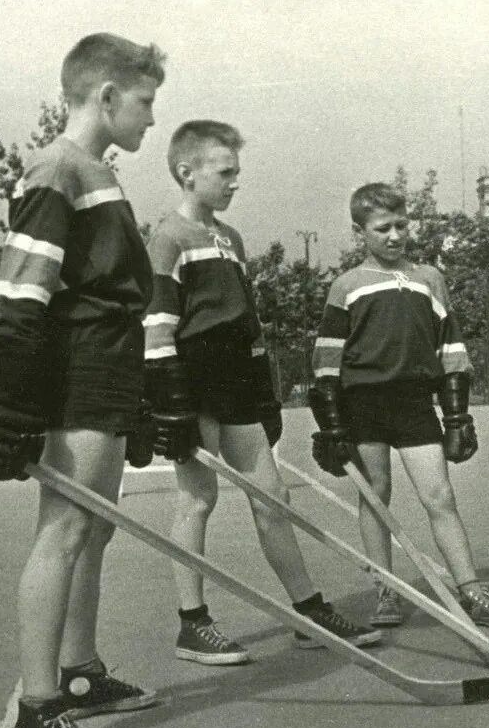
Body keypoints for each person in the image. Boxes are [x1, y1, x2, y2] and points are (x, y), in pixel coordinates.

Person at [0, 33, 165, 728]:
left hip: (111, 365)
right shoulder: (58, 168)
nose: (151, 118)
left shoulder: (98, 171)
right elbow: (23, 290)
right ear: (107, 95)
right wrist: (4, 396)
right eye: (145, 102)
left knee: (95, 531)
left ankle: (81, 671)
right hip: (79, 367)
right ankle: (39, 708)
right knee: (63, 530)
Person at [144, 120, 381, 665]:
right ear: (187, 172)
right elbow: (157, 326)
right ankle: (193, 623)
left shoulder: (230, 239)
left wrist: (264, 394)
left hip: (235, 383)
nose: (235, 182)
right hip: (192, 382)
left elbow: (247, 327)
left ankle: (308, 611)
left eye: (237, 172)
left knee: (274, 498)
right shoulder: (168, 239)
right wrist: (170, 402)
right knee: (197, 498)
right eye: (225, 172)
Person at [309, 183, 489, 629]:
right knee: (375, 495)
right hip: (362, 403)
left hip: (413, 402)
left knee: (440, 496)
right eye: (382, 228)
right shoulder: (346, 285)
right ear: (359, 232)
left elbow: (452, 349)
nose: (394, 235)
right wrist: (331, 424)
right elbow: (327, 357)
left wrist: (458, 414)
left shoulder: (430, 279)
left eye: (401, 225)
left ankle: (471, 590)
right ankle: (386, 589)